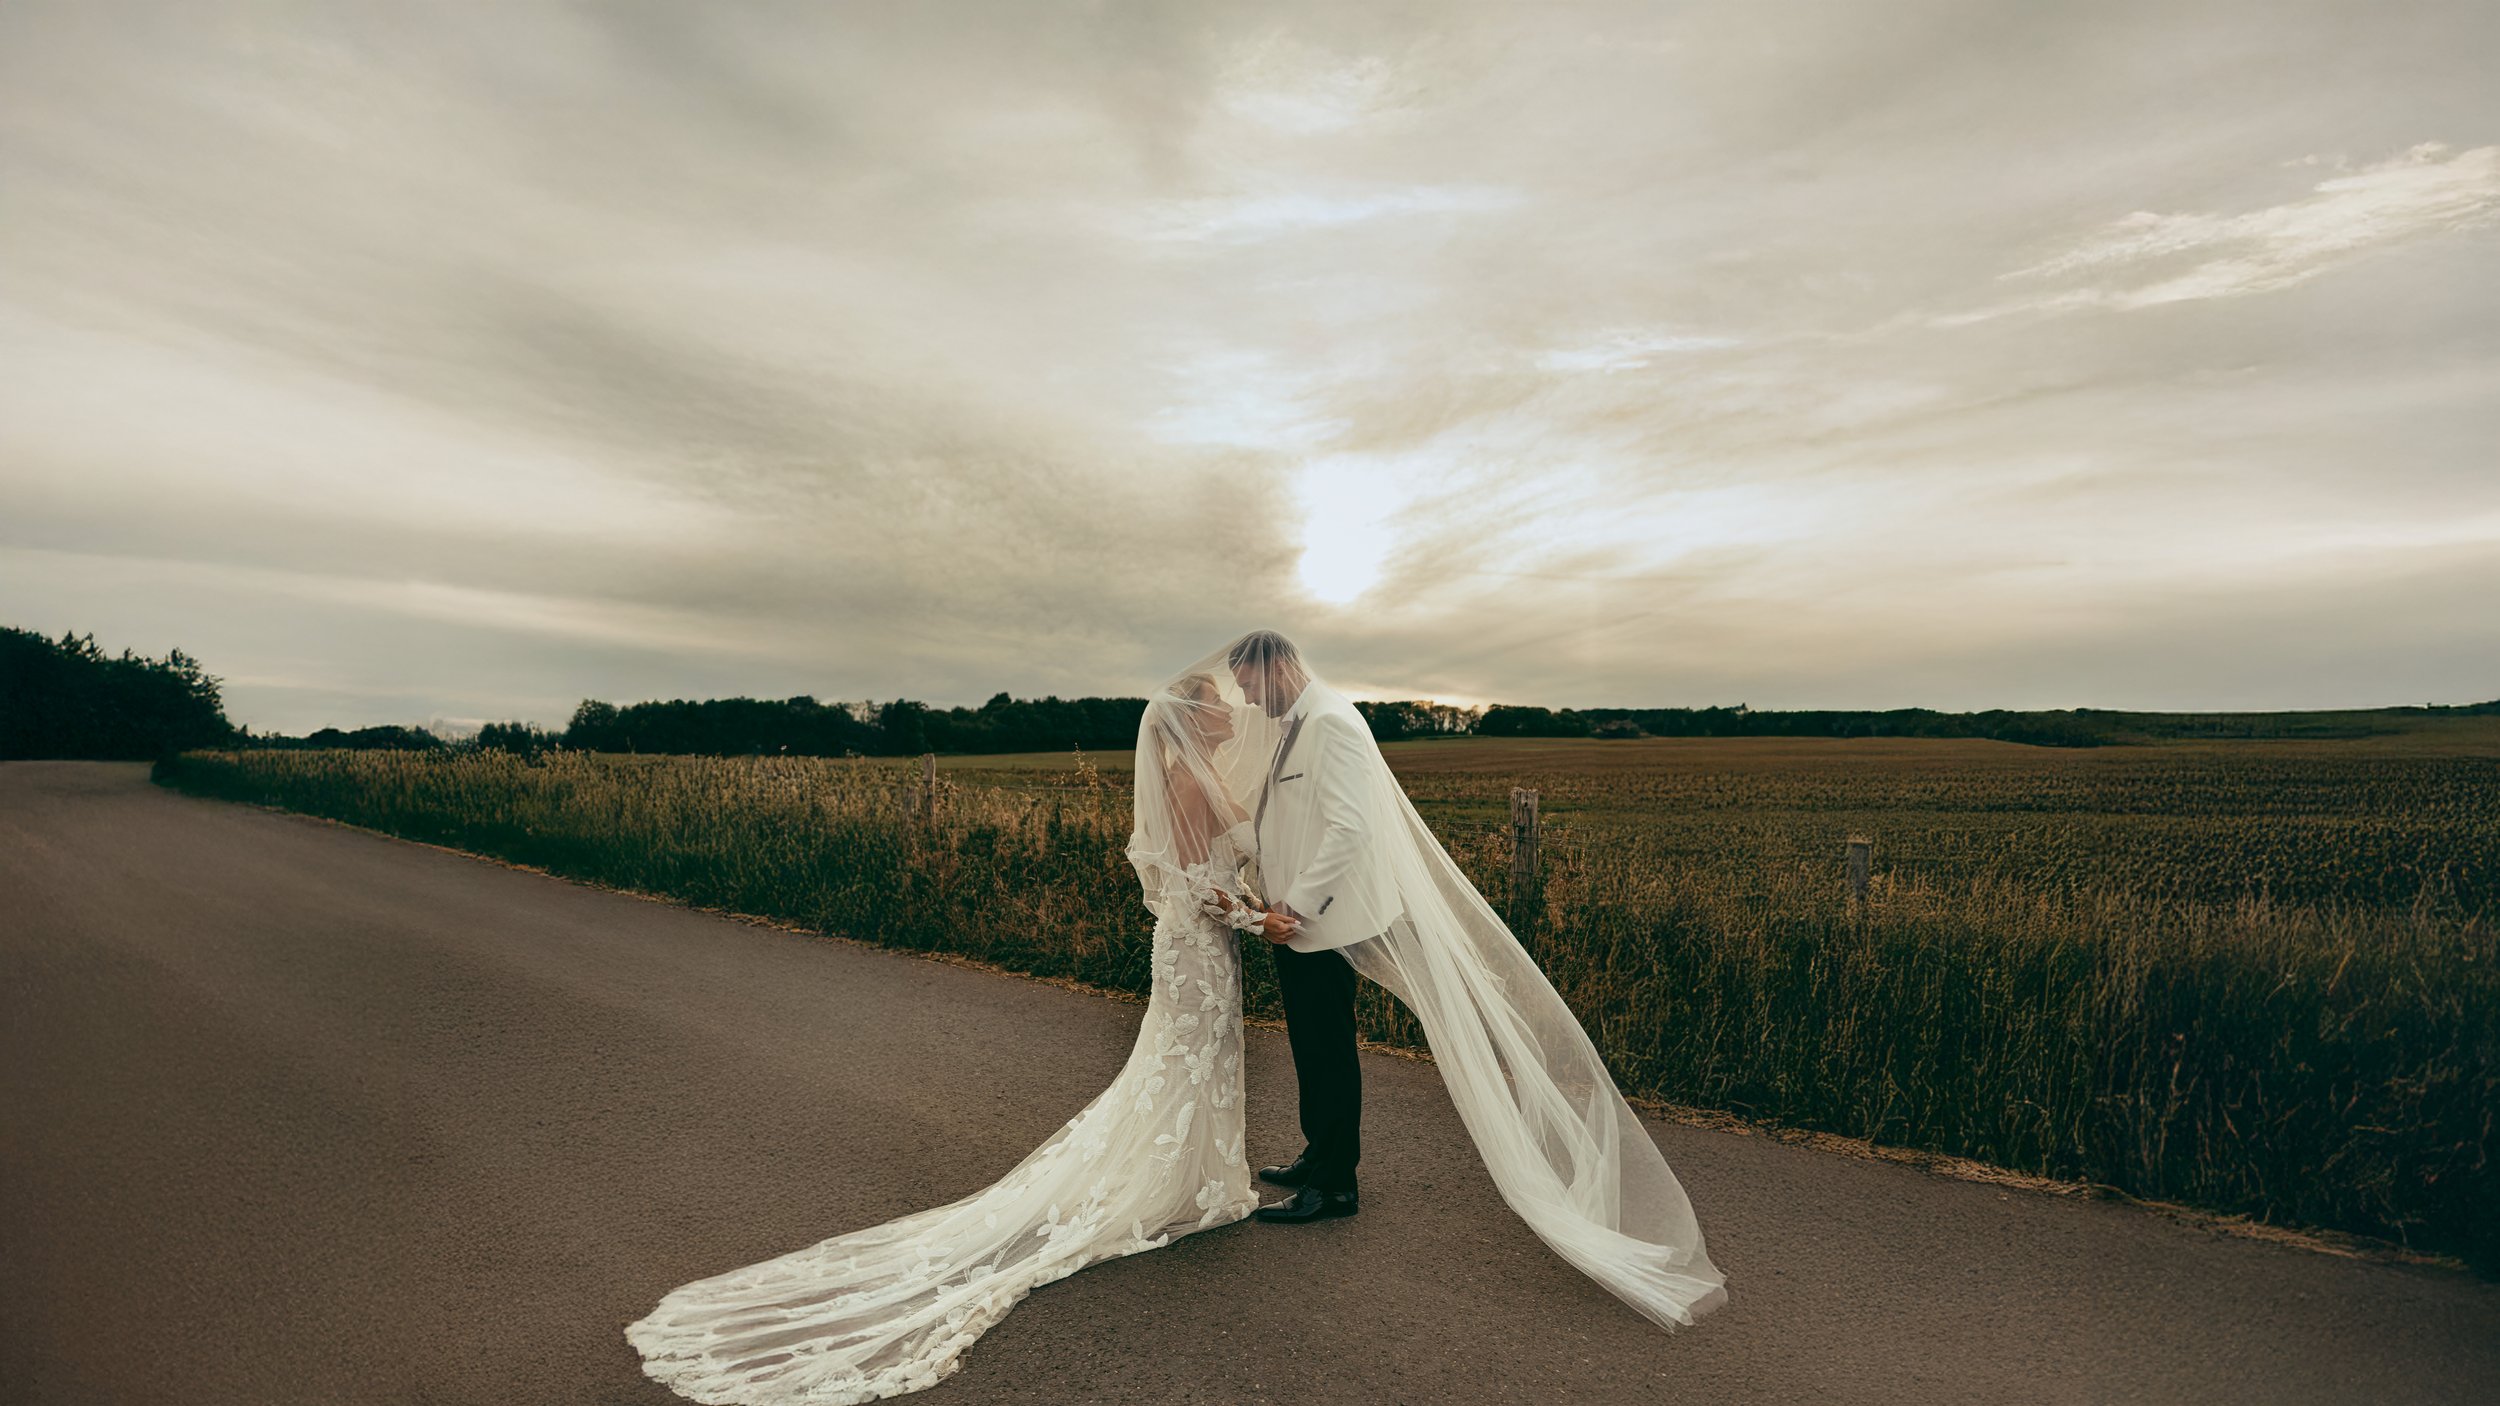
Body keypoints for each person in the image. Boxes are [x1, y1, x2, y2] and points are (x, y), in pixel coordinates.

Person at [625, 664, 1288, 1405]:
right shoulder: (1193, 782)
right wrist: (1259, 920)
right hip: (1199, 946)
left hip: (1192, 946)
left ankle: (1192, 1177)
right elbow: (1197, 885)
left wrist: (1251, 907)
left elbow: (1189, 876)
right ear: (1194, 719)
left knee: (1183, 1062)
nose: (1232, 710)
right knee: (1185, 1062)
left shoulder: (1182, 774)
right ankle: (1182, 1183)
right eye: (1218, 703)